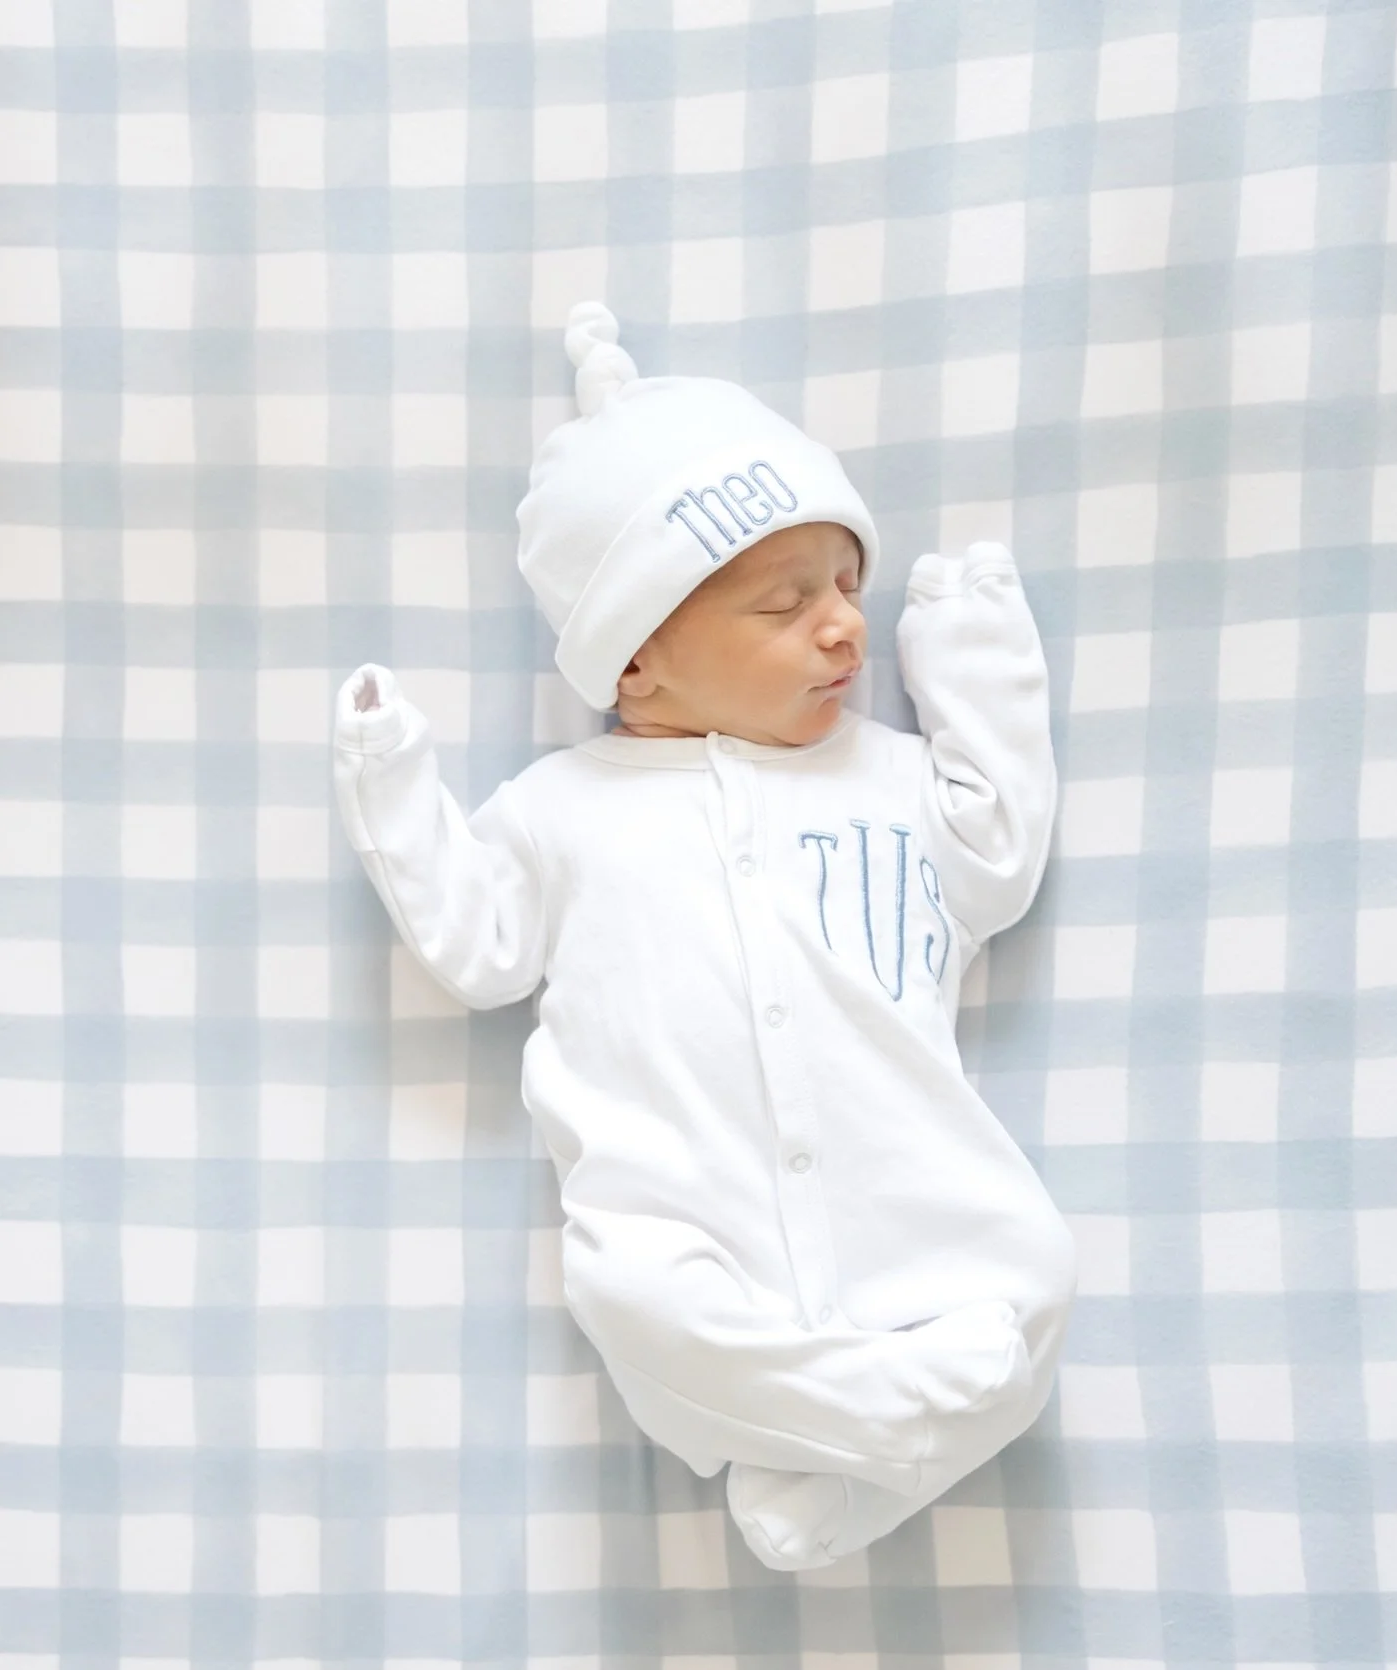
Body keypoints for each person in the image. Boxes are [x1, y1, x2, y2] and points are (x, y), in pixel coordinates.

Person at [332, 301, 1077, 1571]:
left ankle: (848, 1470)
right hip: (686, 1229)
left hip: (914, 1187)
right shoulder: (564, 810)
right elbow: (477, 946)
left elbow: (998, 858)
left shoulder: (889, 778)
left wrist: (972, 648)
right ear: (638, 662)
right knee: (631, 1300)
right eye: (786, 604)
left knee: (1035, 1272)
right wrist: (393, 781)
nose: (844, 625)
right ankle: (909, 1427)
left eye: (850, 582)